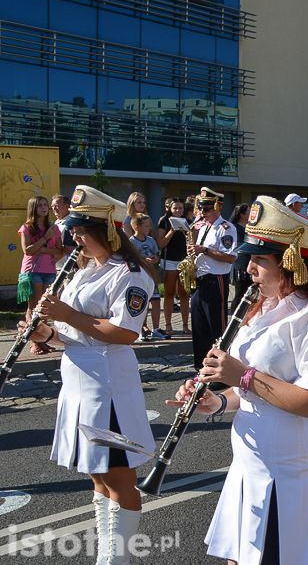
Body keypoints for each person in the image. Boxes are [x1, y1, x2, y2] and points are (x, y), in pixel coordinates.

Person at [171, 195, 308, 563]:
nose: (249, 269)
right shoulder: (262, 309)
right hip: (250, 469)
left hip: (291, 477)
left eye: (260, 259)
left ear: (290, 262)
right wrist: (219, 400)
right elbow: (255, 393)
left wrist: (241, 376)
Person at [26, 185, 157, 564]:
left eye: (83, 230)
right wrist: (46, 332)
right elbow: (75, 333)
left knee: (118, 477)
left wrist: (67, 316)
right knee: (96, 475)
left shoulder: (130, 275)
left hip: (109, 388)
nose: (75, 237)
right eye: (75, 230)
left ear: (108, 231)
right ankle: (107, 553)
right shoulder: (84, 271)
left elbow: (125, 332)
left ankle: (120, 558)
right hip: (79, 382)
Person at [189, 187, 238, 370]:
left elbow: (230, 256)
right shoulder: (203, 227)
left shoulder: (226, 228)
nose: (202, 212)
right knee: (199, 327)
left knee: (217, 328)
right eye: (201, 208)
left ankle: (222, 369)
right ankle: (201, 367)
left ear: (218, 206)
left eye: (206, 209)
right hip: (201, 280)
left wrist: (204, 250)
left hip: (215, 279)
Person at [20, 195, 64, 355]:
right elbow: (27, 250)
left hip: (50, 270)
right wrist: (45, 239)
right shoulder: (27, 227)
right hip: (32, 270)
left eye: (46, 205)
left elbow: (59, 250)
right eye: (40, 206)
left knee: (45, 307)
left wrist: (42, 249)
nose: (44, 208)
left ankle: (43, 339)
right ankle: (34, 342)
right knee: (34, 307)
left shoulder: (54, 227)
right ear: (33, 208)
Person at [155, 198, 190, 338]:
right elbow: (161, 244)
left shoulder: (187, 221)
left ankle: (186, 325)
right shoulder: (164, 220)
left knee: (184, 294)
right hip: (168, 260)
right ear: (170, 208)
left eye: (180, 208)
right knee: (169, 293)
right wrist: (172, 231)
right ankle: (168, 325)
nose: (178, 211)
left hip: (184, 260)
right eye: (175, 208)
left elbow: (190, 241)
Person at [129, 213, 165, 340]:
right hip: (139, 277)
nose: (149, 228)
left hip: (152, 275)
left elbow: (156, 254)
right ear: (136, 227)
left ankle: (155, 328)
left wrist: (155, 258)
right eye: (146, 226)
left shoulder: (150, 241)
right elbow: (130, 259)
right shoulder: (131, 242)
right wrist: (143, 259)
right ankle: (140, 329)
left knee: (155, 301)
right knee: (142, 303)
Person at [228, 203, 253, 312]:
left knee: (249, 293)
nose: (251, 213)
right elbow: (237, 245)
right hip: (240, 263)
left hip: (250, 261)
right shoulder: (234, 228)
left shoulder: (250, 227)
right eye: (248, 211)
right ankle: (233, 317)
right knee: (240, 293)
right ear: (242, 214)